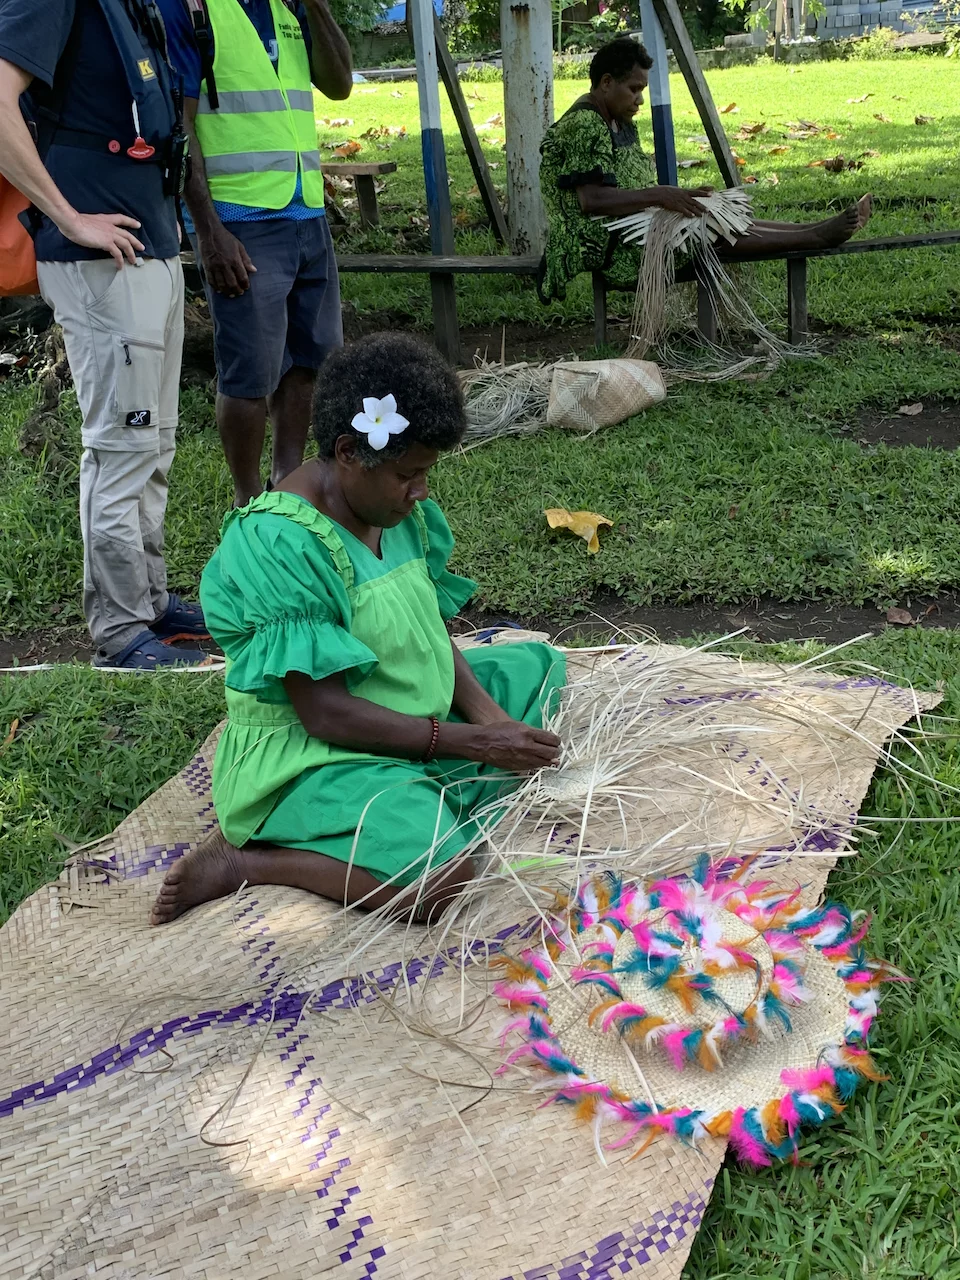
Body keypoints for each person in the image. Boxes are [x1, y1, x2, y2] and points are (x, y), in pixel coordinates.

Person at [151, 333, 566, 926]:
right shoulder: (279, 542)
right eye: (408, 474)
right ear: (349, 451)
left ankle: (423, 787)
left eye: (426, 472)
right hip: (315, 753)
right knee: (441, 882)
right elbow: (325, 715)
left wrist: (489, 719)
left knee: (538, 668)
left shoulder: (392, 509)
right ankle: (251, 861)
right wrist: (477, 744)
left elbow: (425, 627)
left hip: (399, 707)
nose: (421, 491)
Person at [0, 0, 209, 669]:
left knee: (155, 443)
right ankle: (120, 632)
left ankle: (148, 601)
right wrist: (69, 217)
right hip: (98, 262)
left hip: (149, 248)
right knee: (121, 447)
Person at [157, 0, 352, 508]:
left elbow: (340, 84)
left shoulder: (290, 8)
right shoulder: (196, 10)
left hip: (307, 211)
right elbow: (181, 124)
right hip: (239, 221)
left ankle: (285, 482)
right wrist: (207, 230)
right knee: (249, 373)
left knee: (308, 358)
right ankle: (247, 502)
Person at [538, 36, 873, 303]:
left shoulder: (617, 119)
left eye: (642, 90)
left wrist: (672, 197)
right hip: (610, 245)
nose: (640, 100)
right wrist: (662, 195)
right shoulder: (585, 124)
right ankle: (813, 237)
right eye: (634, 89)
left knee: (716, 211)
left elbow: (628, 189)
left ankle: (810, 229)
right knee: (705, 229)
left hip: (632, 226)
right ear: (606, 83)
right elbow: (592, 201)